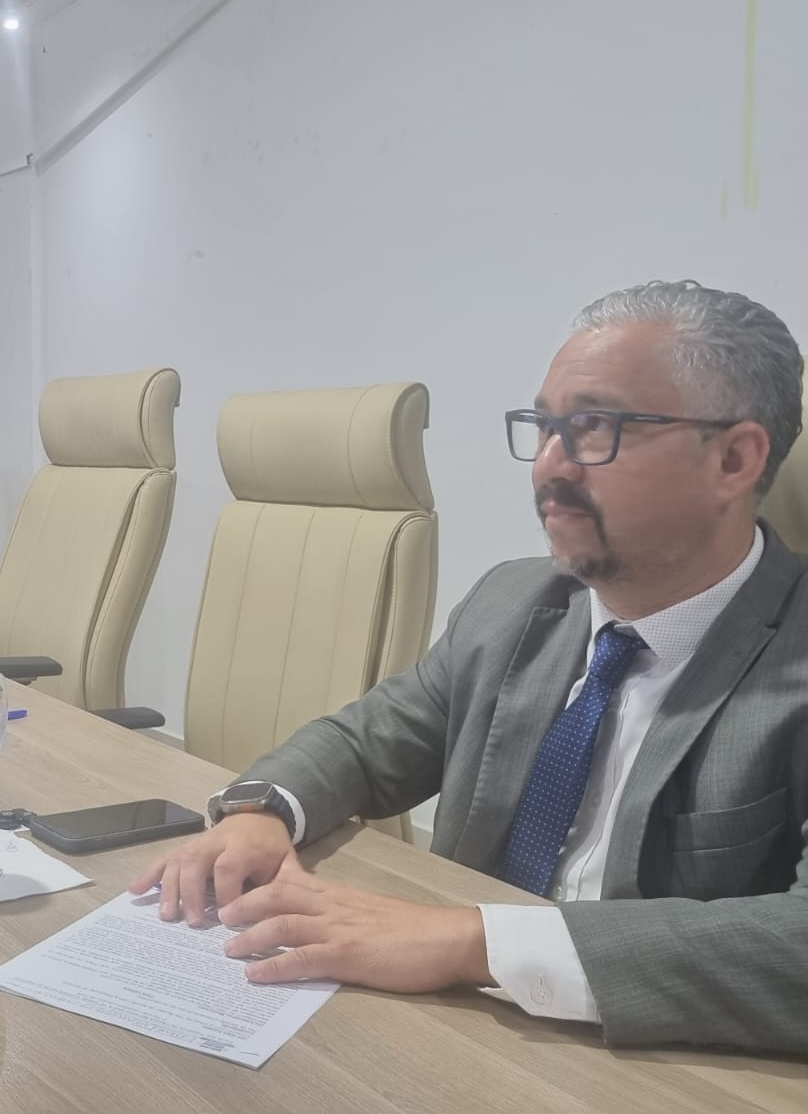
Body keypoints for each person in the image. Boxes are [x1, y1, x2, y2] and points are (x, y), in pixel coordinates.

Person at [132, 280, 808, 1055]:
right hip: (455, 1033)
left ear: (733, 459)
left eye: (593, 428)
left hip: (651, 1060)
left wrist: (473, 942)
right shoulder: (515, 600)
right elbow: (367, 741)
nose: (548, 466)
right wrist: (262, 812)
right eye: (544, 427)